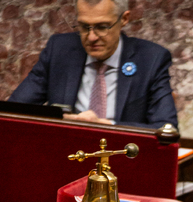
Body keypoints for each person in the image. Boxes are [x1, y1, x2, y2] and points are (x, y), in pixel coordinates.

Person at [9, 0, 178, 129]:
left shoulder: (151, 59)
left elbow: (166, 129)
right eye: (84, 27)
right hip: (65, 153)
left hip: (121, 157)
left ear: (124, 19)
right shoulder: (60, 51)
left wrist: (106, 126)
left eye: (102, 27)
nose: (91, 37)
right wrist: (59, 120)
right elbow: (12, 111)